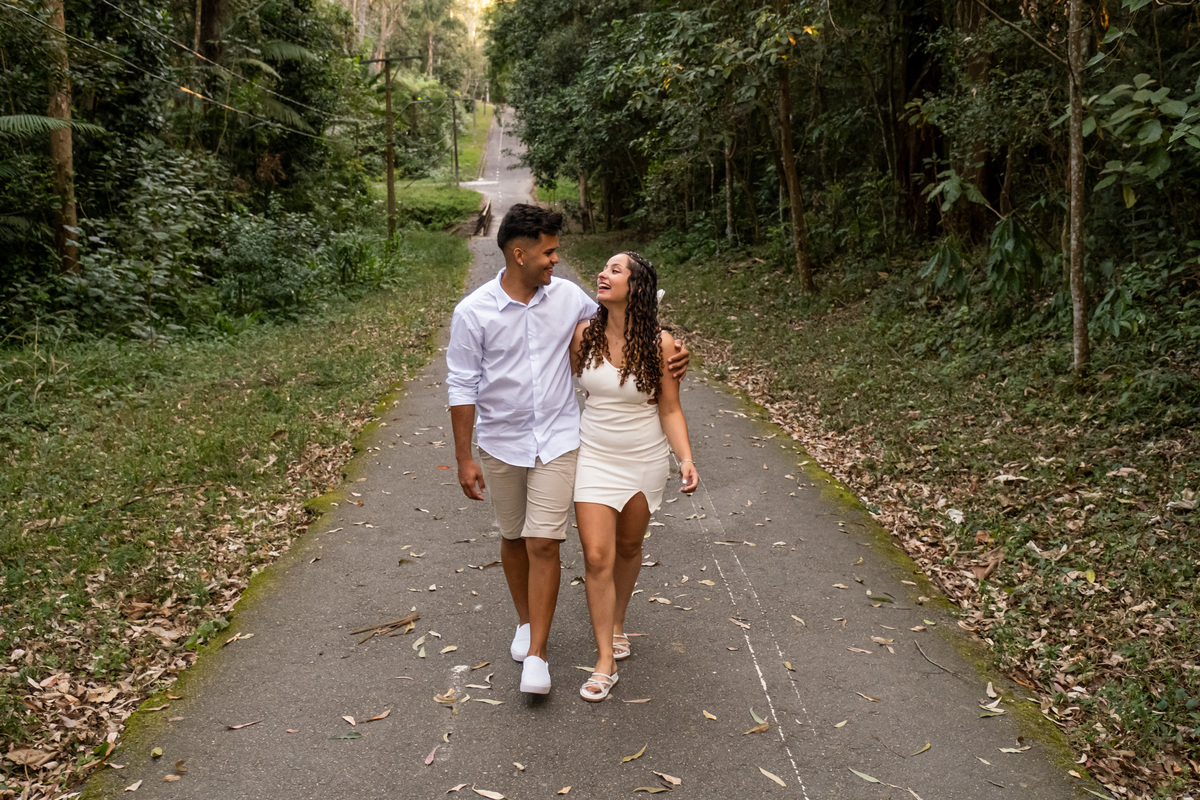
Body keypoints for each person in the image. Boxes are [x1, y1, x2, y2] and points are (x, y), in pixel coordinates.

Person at [446, 205, 687, 695]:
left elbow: (629, 320)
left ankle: (538, 652)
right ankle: (524, 621)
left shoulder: (568, 298)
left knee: (545, 541)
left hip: (559, 438)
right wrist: (464, 456)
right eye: (549, 251)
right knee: (514, 537)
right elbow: (461, 385)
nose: (557, 260)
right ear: (520, 254)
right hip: (502, 442)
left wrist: (678, 350)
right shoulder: (474, 313)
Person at [570, 251, 699, 702]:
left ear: (637, 288)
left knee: (628, 547)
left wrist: (684, 458)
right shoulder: (584, 333)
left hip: (644, 458)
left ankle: (618, 620)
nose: (602, 274)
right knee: (596, 554)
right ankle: (604, 660)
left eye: (615, 270)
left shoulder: (661, 345)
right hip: (594, 457)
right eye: (602, 267)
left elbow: (670, 406)